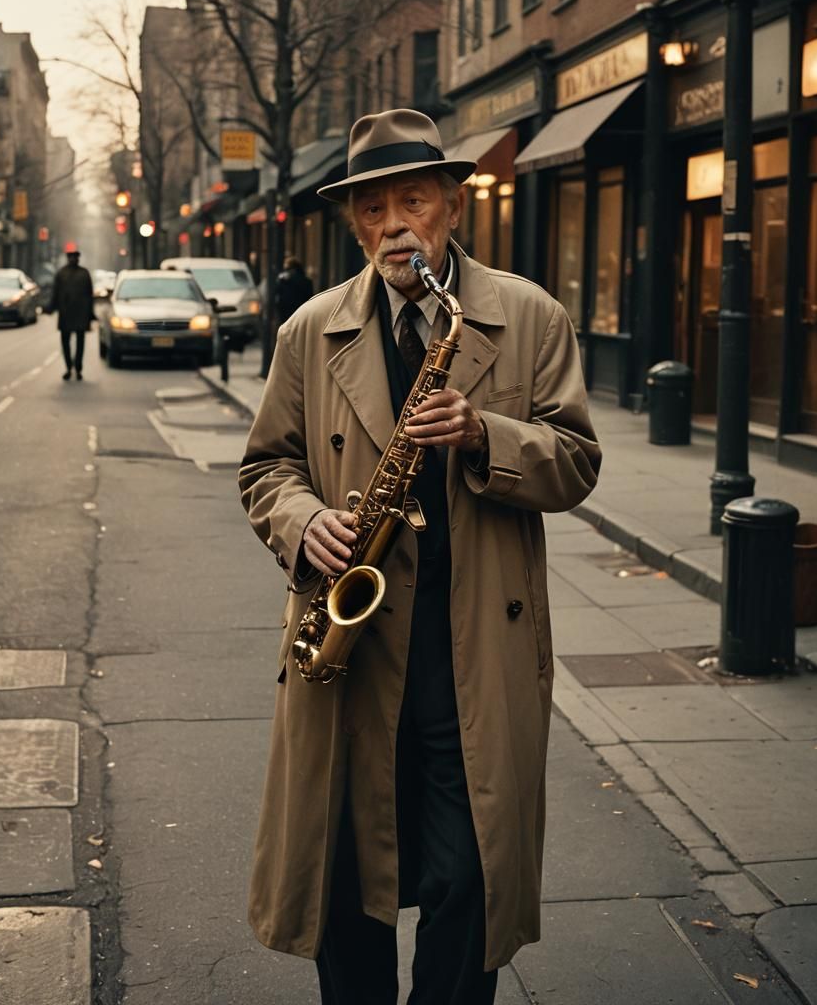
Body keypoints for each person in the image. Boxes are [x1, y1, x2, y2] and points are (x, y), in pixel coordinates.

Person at [239, 109, 601, 1004]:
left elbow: (579, 460)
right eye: (372, 211)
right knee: (343, 885)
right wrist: (301, 522)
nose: (394, 226)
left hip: (473, 651)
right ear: (354, 222)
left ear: (451, 205)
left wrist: (486, 435)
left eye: (413, 202)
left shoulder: (529, 316)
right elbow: (265, 466)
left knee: (471, 880)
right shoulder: (307, 331)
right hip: (352, 657)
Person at [46, 245, 94, 380]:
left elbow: (89, 295)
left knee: (80, 342)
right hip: (66, 312)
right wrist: (51, 307)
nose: (73, 259)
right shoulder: (61, 273)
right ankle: (69, 367)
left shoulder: (84, 273)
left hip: (80, 313)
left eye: (75, 257)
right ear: (68, 258)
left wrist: (90, 313)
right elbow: (55, 293)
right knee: (66, 342)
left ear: (77, 258)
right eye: (71, 257)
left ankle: (78, 367)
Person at [274, 254, 315, 323]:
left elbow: (279, 298)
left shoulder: (284, 281)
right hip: (301, 314)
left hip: (288, 315)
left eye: (287, 269)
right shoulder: (307, 281)